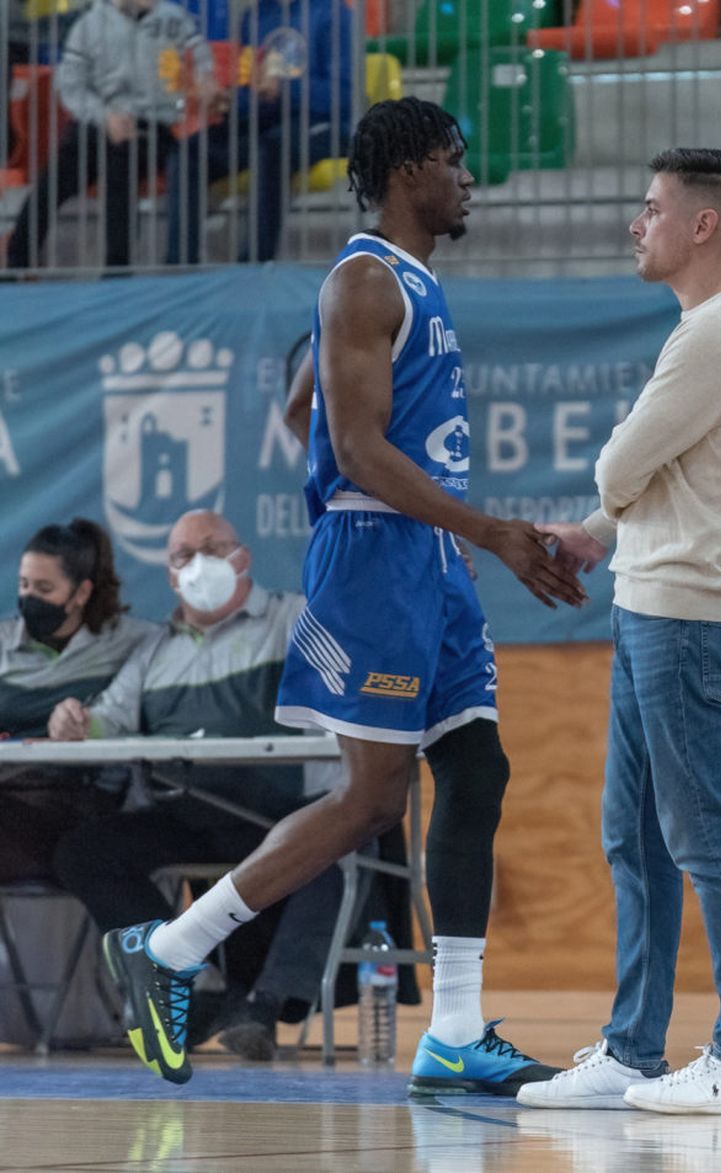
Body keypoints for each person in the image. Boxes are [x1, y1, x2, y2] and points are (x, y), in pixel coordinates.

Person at [102, 96, 587, 1090]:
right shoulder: (364, 280)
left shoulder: (407, 285)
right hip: (380, 560)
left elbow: (306, 410)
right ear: (408, 170)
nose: (467, 180)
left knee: (477, 769)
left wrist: (439, 523)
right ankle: (171, 950)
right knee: (371, 799)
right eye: (453, 160)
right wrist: (486, 530)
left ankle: (453, 1030)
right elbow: (357, 448)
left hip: (428, 559)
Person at [519, 148, 721, 1116]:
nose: (637, 225)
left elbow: (622, 463)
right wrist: (596, 539)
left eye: (650, 209)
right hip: (651, 606)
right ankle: (634, 1048)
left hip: (687, 618)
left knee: (703, 835)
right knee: (631, 835)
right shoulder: (716, 329)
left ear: (702, 226)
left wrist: (601, 504)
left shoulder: (717, 334)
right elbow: (659, 481)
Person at [50, 509, 346, 1062]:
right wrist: (73, 721)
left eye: (212, 547)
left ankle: (261, 1004)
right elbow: (104, 720)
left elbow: (349, 691)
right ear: (169, 576)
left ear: (243, 558)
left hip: (280, 820)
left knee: (333, 845)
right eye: (183, 555)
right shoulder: (154, 654)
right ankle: (193, 976)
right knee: (85, 852)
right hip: (190, 819)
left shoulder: (297, 621)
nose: (198, 562)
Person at [4, 0, 213, 271]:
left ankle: (117, 269)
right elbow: (70, 85)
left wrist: (206, 78)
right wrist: (104, 116)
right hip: (96, 120)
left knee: (121, 165)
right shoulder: (89, 26)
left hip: (152, 123)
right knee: (52, 182)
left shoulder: (174, 19)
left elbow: (201, 57)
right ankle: (16, 263)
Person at [0, 519, 155, 882]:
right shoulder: (4, 642)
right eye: (23, 586)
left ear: (81, 593)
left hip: (86, 805)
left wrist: (86, 723)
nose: (29, 599)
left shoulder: (134, 643)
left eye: (44, 587)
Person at [165, 0, 352, 264]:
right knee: (190, 152)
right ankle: (179, 264)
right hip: (266, 120)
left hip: (323, 122)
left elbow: (344, 95)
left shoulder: (333, 13)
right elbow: (249, 85)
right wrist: (229, 101)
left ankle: (255, 263)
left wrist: (286, 89)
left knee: (273, 148)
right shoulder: (254, 17)